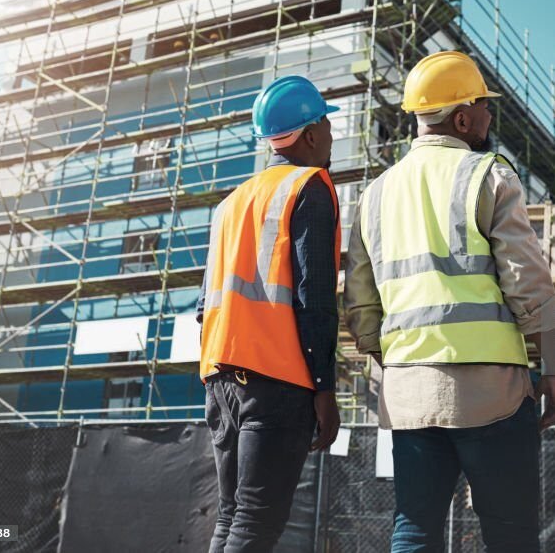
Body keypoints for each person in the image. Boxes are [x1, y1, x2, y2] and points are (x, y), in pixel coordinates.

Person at [345, 50, 555, 553]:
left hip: (409, 394)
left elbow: (360, 303)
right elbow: (530, 285)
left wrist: (395, 362)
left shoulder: (373, 194)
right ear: (461, 117)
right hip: (492, 392)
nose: (489, 116)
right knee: (511, 532)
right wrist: (550, 368)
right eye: (484, 106)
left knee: (414, 528)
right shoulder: (488, 175)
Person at [196, 75, 342, 552]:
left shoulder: (230, 204)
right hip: (278, 380)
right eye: (327, 124)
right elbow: (313, 296)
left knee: (233, 517)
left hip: (220, 379)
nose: (332, 136)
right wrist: (324, 388)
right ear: (311, 132)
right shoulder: (310, 186)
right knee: (256, 523)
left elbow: (204, 307)